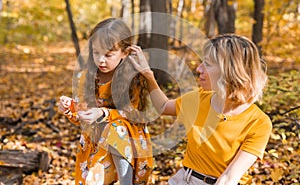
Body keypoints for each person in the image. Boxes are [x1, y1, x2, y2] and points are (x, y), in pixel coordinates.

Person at [128, 34, 272, 185]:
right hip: (183, 179)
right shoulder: (197, 100)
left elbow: (228, 178)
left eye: (208, 64)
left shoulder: (258, 123)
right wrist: (148, 74)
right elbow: (163, 106)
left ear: (230, 71)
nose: (198, 69)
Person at [58, 18, 153, 185]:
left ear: (124, 53)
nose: (101, 60)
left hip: (127, 142)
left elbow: (133, 114)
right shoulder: (85, 77)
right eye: (96, 53)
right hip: (95, 141)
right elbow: (82, 117)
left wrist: (103, 113)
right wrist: (70, 108)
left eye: (108, 55)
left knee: (116, 128)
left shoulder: (132, 78)